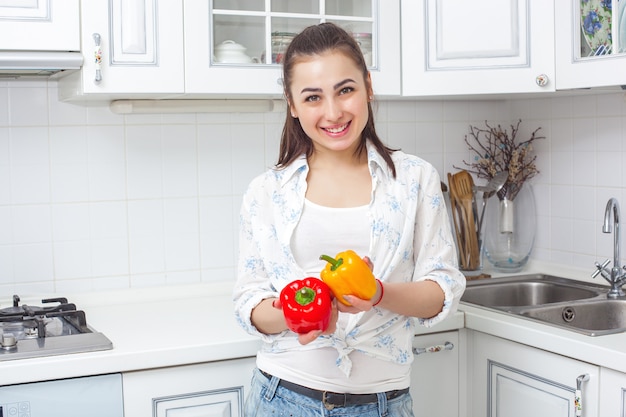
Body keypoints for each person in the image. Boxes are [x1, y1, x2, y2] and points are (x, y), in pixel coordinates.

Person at [233, 22, 466, 417]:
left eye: (345, 90)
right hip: (282, 397)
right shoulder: (266, 191)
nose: (333, 112)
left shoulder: (414, 179)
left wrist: (377, 294)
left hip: (382, 402)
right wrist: (302, 314)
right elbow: (249, 304)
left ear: (368, 88)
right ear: (292, 104)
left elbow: (442, 289)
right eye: (312, 97)